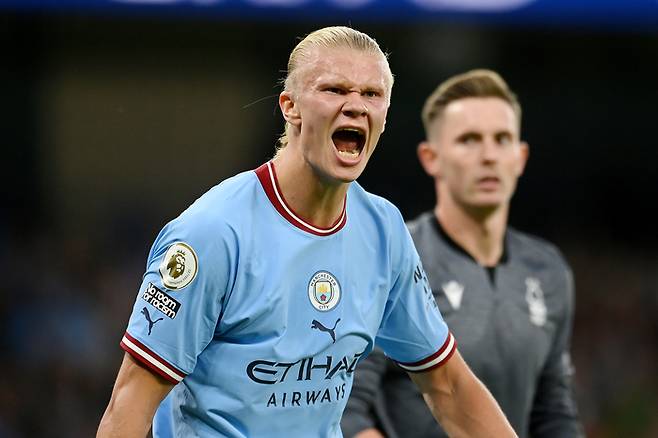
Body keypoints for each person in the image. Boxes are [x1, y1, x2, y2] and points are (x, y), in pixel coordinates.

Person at [97, 28, 516, 438]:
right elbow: (130, 404)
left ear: (385, 115)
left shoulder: (383, 230)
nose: (355, 106)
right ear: (290, 106)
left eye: (371, 94)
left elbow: (448, 385)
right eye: (334, 90)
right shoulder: (213, 234)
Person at [341, 69, 584, 438]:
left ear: (520, 157)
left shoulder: (548, 269)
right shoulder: (391, 255)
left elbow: (553, 413)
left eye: (501, 140)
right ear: (430, 157)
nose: (488, 156)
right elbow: (347, 409)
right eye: (469, 140)